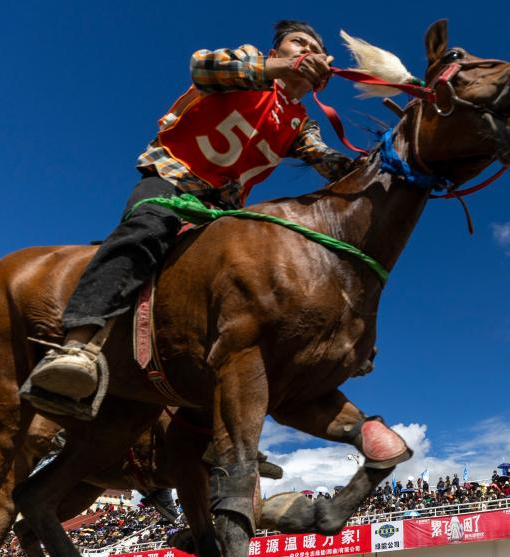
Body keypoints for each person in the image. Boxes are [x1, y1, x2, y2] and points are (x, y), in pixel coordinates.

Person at [28, 20, 352, 403]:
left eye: (316, 50)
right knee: (146, 230)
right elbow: (203, 66)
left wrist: (378, 162)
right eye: (298, 43)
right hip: (172, 180)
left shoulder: (300, 124)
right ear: (274, 52)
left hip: (221, 212)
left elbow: (325, 159)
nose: (307, 51)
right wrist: (282, 69)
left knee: (247, 279)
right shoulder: (247, 65)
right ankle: (75, 346)